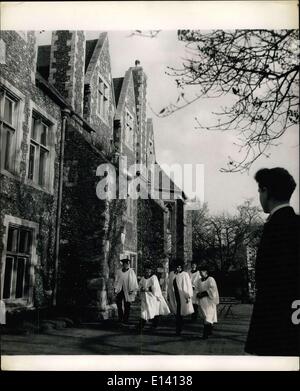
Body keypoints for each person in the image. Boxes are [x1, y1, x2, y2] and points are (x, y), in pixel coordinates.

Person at [245, 167, 300, 356]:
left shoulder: (275, 227)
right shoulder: (295, 223)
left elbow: (271, 282)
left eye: (260, 191)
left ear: (265, 191)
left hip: (276, 327)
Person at [137, 263, 170, 332]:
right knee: (144, 311)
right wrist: (141, 289)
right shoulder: (143, 279)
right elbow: (139, 286)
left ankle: (154, 324)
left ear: (151, 271)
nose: (147, 273)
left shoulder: (153, 278)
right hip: (145, 298)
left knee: (154, 311)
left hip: (152, 298)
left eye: (149, 272)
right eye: (146, 272)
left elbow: (156, 288)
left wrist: (148, 289)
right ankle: (141, 326)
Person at [168, 259, 194, 335]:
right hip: (174, 295)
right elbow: (169, 286)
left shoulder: (185, 274)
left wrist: (188, 295)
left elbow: (188, 286)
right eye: (176, 267)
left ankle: (178, 328)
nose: (178, 268)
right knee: (176, 311)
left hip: (182, 295)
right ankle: (179, 326)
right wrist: (168, 295)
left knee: (179, 312)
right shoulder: (172, 274)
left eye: (179, 267)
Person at [196, 265, 219, 339]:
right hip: (202, 302)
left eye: (202, 271)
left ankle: (205, 335)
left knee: (207, 317)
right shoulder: (199, 281)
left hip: (209, 302)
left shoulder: (210, 279)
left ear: (206, 272)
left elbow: (213, 290)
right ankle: (209, 330)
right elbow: (196, 289)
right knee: (205, 317)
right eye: (200, 271)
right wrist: (197, 294)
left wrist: (203, 293)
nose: (200, 273)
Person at [114, 258, 139, 325]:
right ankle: (120, 318)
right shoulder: (119, 271)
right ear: (123, 264)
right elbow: (116, 280)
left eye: (127, 264)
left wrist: (132, 290)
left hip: (128, 290)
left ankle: (125, 319)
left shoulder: (131, 271)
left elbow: (134, 281)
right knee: (119, 304)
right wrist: (115, 288)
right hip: (120, 290)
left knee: (127, 305)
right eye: (125, 264)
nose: (126, 265)